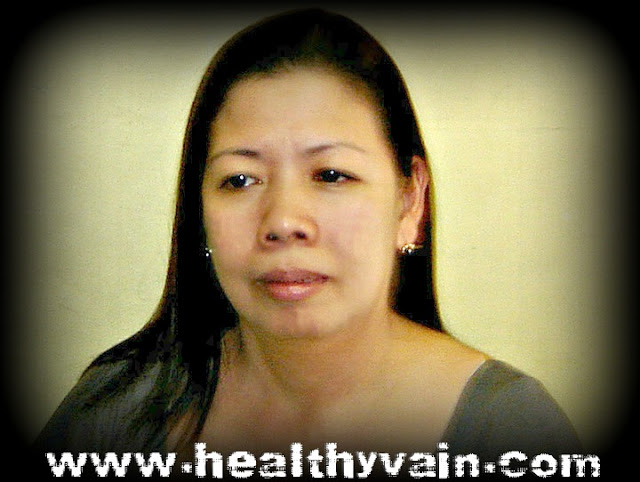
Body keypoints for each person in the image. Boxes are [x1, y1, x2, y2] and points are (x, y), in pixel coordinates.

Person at [35, 8, 580, 478]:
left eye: (332, 175)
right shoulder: (120, 407)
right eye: (240, 180)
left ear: (410, 202)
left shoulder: (507, 431)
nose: (283, 221)